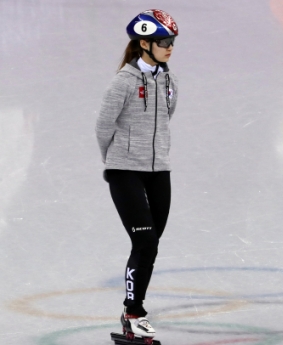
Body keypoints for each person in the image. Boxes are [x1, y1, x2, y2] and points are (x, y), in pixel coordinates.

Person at [95, 9, 179, 341]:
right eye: (163, 42)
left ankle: (135, 307)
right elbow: (103, 127)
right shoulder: (123, 82)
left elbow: (168, 114)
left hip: (159, 171)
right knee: (142, 239)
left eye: (172, 41)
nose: (170, 47)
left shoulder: (169, 79)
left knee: (152, 244)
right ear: (144, 43)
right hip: (125, 170)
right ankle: (133, 313)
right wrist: (114, 163)